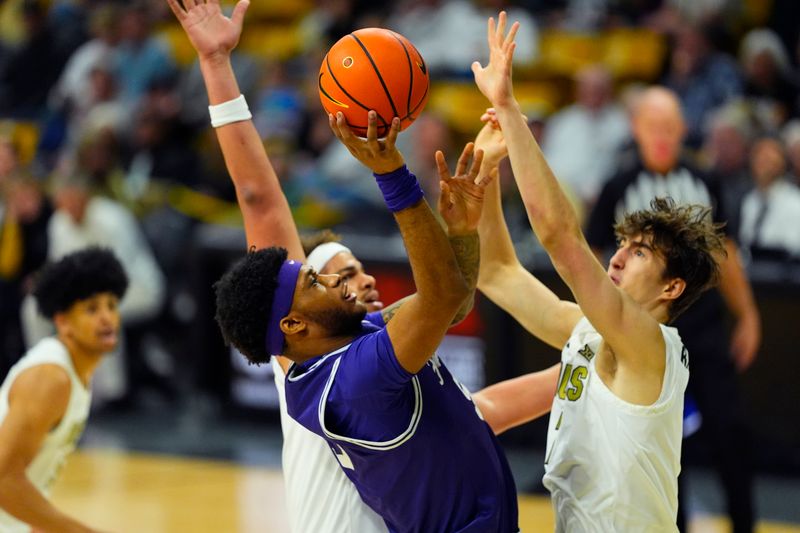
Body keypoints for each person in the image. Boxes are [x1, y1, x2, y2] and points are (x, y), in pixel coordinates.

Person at [166, 1, 518, 531]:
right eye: (319, 278)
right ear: (293, 325)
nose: (340, 279)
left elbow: (451, 302)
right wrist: (393, 174)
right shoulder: (353, 380)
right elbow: (258, 199)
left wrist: (463, 232)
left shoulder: (355, 342)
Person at [471, 12, 727, 530]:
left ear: (672, 287)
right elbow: (496, 271)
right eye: (622, 245)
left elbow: (560, 236)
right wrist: (486, 169)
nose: (616, 257)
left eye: (638, 253)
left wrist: (510, 108)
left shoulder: (649, 345)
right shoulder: (587, 333)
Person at [587, 86, 761, 533]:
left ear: (683, 129)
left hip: (704, 327)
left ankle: (745, 524)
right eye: (653, 127)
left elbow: (727, 253)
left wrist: (748, 315)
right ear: (636, 129)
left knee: (729, 432)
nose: (662, 136)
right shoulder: (619, 185)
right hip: (646, 335)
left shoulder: (704, 181)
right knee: (661, 441)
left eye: (670, 127)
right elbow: (590, 258)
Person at [0, 247, 127, 532]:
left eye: (111, 305)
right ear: (63, 322)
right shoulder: (50, 378)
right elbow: (2, 478)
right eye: (92, 309)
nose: (107, 318)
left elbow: (27, 481)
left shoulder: (77, 372)